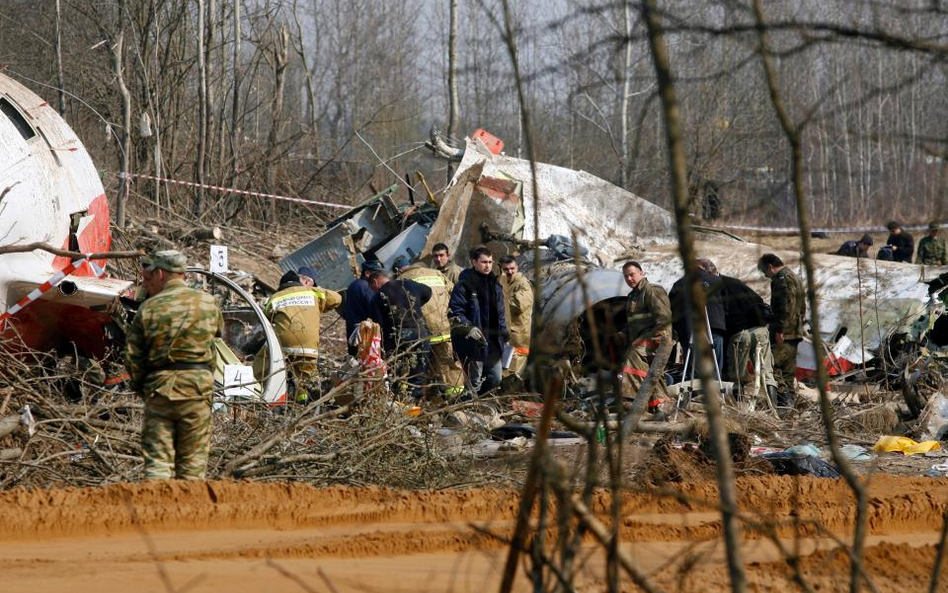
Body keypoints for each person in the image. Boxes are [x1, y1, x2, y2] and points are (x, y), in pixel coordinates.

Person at [125, 250, 223, 481]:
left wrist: (143, 388)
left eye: (149, 277)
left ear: (160, 273)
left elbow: (132, 357)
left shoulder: (148, 308)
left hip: (160, 390)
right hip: (198, 391)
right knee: (193, 466)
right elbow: (214, 343)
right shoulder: (208, 303)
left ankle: (158, 513)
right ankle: (188, 515)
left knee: (158, 464)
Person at [261, 270, 342, 403]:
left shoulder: (274, 297)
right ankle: (303, 402)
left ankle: (258, 391)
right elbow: (337, 298)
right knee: (306, 379)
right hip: (308, 348)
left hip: (283, 346)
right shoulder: (312, 292)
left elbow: (266, 319)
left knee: (263, 364)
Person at [394, 256, 465, 398]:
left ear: (397, 270)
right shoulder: (437, 273)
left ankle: (411, 400)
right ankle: (455, 400)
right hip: (444, 329)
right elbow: (455, 292)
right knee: (448, 365)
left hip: (420, 333)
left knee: (414, 367)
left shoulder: (400, 280)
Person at [449, 245, 509, 395]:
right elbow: (455, 311)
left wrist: (504, 334)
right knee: (474, 383)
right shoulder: (465, 285)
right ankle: (468, 410)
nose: (487, 265)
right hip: (473, 343)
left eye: (490, 262)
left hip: (493, 342)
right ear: (474, 262)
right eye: (484, 262)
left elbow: (500, 313)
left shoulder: (495, 285)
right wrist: (469, 327)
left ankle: (479, 405)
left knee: (495, 379)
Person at [617, 261, 671, 415]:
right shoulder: (633, 296)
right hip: (641, 338)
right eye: (626, 276)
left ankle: (631, 399)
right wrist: (622, 333)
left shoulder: (652, 291)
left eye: (632, 274)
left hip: (658, 338)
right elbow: (633, 322)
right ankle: (659, 403)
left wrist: (658, 338)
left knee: (633, 356)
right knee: (650, 372)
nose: (629, 278)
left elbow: (664, 318)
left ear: (641, 272)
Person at [369, 269, 432, 399]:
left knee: (395, 372)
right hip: (419, 332)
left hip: (397, 337)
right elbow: (428, 291)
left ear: (375, 281)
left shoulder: (378, 295)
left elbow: (378, 324)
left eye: (372, 287)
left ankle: (397, 401)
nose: (373, 290)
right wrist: (416, 305)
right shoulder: (408, 284)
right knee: (418, 372)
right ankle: (415, 403)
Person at [714, 275, 777, 404]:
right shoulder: (737, 282)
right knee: (767, 372)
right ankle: (774, 407)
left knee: (737, 375)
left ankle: (738, 407)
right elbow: (759, 300)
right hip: (760, 330)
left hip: (739, 334)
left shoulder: (714, 288)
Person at [757, 253, 806, 411]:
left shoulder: (782, 280)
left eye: (765, 272)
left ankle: (784, 399)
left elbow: (787, 306)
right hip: (794, 331)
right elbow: (802, 307)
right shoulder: (794, 277)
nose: (765, 275)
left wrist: (780, 329)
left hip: (785, 332)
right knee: (788, 370)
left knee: (773, 365)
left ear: (770, 267)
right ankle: (789, 403)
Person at [668, 259, 725, 376]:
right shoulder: (717, 281)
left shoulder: (679, 284)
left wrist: (678, 331)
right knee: (715, 365)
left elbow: (672, 310)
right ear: (703, 267)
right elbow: (726, 304)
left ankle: (696, 391)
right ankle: (716, 389)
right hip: (714, 326)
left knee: (695, 367)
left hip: (690, 329)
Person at [498, 255, 533, 379]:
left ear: (517, 267)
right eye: (506, 269)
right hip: (507, 332)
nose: (510, 272)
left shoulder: (522, 284)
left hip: (519, 335)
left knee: (514, 370)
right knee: (504, 367)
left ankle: (511, 393)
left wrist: (499, 300)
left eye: (512, 268)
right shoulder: (503, 281)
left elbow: (520, 305)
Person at [342, 260, 384, 356]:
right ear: (368, 273)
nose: (380, 277)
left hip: (353, 331)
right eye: (378, 274)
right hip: (365, 334)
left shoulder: (354, 285)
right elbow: (374, 311)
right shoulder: (366, 287)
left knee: (356, 361)